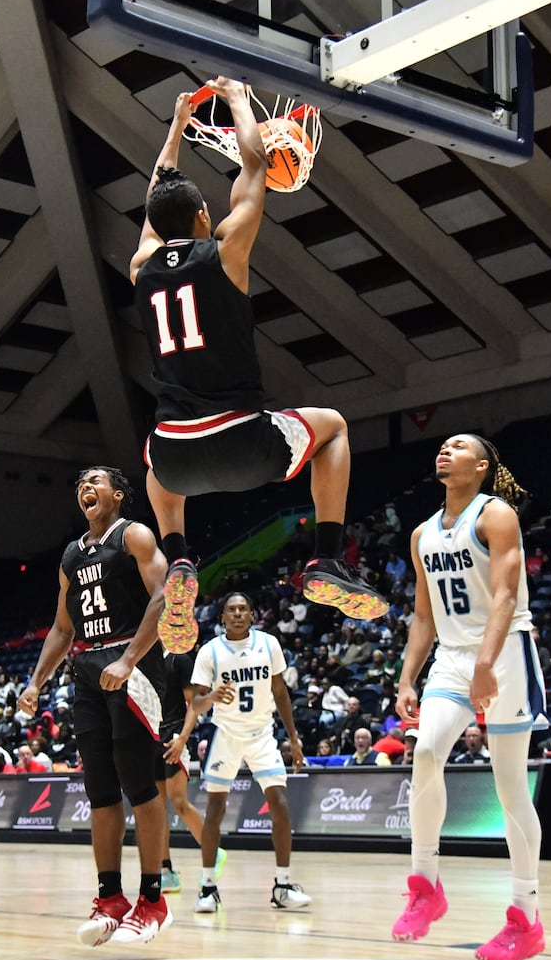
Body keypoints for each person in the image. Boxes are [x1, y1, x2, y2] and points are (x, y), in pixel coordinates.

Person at [129, 77, 388, 655]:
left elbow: (156, 201)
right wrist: (240, 99)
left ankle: (181, 561)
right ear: (202, 213)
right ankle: (325, 557)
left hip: (177, 455)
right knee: (335, 426)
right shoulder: (226, 249)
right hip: (243, 440)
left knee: (154, 457)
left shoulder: (141, 265)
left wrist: (176, 126)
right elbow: (253, 164)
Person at [391, 434, 548, 960]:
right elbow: (423, 615)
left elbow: (506, 594)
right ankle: (425, 886)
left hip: (505, 654)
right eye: (442, 445)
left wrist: (486, 664)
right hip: (452, 658)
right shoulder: (421, 535)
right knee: (427, 752)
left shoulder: (496, 515)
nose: (445, 450)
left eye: (458, 446)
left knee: (510, 789)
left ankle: (525, 918)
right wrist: (407, 677)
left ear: (481, 466)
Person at [17, 467, 172, 946]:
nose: (86, 486)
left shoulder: (136, 535)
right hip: (87, 670)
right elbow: (63, 628)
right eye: (80, 481)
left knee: (140, 787)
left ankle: (153, 900)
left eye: (96, 480)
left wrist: (128, 660)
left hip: (134, 664)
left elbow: (165, 596)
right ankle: (111, 900)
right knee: (100, 792)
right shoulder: (70, 554)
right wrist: (36, 681)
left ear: (119, 495)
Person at [187, 592, 312, 913]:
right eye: (232, 609)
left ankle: (283, 885)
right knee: (215, 808)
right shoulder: (210, 652)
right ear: (222, 617)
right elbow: (196, 704)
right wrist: (213, 696)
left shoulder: (269, 644)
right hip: (226, 735)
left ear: (252, 614)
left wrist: (294, 739)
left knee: (280, 804)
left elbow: (280, 692)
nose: (238, 613)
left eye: (244, 608)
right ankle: (207, 888)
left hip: (261, 735)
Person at [158, 651, 227, 893]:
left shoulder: (179, 659)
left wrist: (183, 737)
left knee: (178, 801)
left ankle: (213, 851)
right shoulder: (143, 657)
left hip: (174, 735)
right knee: (156, 808)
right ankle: (165, 871)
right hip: (150, 737)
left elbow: (193, 705)